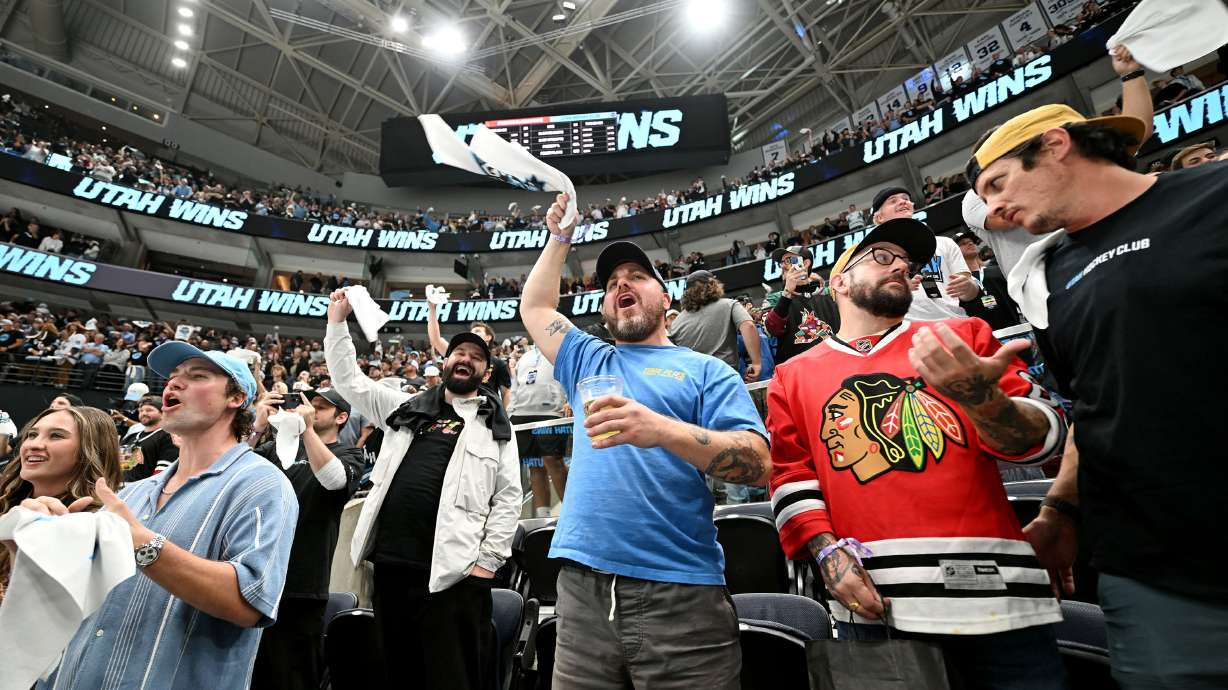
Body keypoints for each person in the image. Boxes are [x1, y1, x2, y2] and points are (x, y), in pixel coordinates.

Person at [969, 102, 1228, 689]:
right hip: (1151, 575)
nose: (992, 211)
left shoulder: (1215, 195)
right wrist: (1061, 508)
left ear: (1057, 144)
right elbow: (1094, 406)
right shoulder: (1047, 275)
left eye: (997, 184)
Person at [767, 217, 1069, 687]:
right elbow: (791, 477)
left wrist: (980, 398)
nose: (902, 268)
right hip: (871, 603)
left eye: (907, 263)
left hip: (999, 594)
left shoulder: (963, 336)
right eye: (882, 257)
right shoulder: (793, 374)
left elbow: (1042, 441)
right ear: (839, 280)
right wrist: (828, 556)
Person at [521, 194, 771, 688]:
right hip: (581, 594)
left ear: (666, 300)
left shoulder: (707, 371)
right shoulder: (587, 359)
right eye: (612, 284)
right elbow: (534, 305)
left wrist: (660, 430)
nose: (621, 286)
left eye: (636, 277)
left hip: (681, 595)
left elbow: (758, 463)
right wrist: (559, 239)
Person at [24, 342, 298, 690]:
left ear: (236, 398)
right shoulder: (133, 493)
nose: (173, 385)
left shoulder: (262, 484)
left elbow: (249, 602)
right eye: (171, 378)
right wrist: (44, 544)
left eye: (197, 376)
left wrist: (141, 543)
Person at [325, 293, 521, 689]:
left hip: (455, 575)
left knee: (453, 677)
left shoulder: (497, 428)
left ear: (486, 373)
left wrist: (487, 563)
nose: (465, 358)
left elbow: (508, 498)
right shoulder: (404, 407)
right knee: (401, 673)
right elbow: (349, 380)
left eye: (476, 357)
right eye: (458, 352)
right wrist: (336, 322)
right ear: (445, 362)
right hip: (393, 567)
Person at [249, 387, 364, 690]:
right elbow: (232, 466)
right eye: (307, 405)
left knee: (293, 676)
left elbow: (336, 480)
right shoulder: (277, 449)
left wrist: (308, 430)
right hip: (257, 578)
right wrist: (257, 426)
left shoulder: (349, 453)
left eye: (320, 407)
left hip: (303, 584)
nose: (308, 410)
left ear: (342, 417)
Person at [0, 405, 123, 603]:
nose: (34, 444)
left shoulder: (97, 524)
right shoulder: (5, 503)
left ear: (91, 449)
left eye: (56, 436)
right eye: (32, 435)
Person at [871, 187, 979, 320]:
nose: (902, 202)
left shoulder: (945, 243)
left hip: (955, 321)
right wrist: (898, 291)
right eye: (893, 201)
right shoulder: (874, 255)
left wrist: (967, 287)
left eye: (906, 199)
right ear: (879, 216)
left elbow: (970, 293)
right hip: (906, 329)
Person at [508, 340, 570, 518]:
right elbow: (515, 387)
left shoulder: (559, 350)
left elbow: (571, 376)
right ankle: (543, 517)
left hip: (551, 412)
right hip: (522, 413)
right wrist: (510, 412)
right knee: (535, 465)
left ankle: (570, 513)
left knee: (554, 461)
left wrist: (569, 400)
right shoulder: (525, 356)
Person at [668, 270, 762, 381]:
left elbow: (670, 355)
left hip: (696, 384)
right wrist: (756, 363)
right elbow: (748, 326)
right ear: (713, 285)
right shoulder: (729, 305)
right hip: (726, 377)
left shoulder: (676, 323)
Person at [427, 302, 513, 408]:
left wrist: (503, 417)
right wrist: (432, 309)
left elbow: (506, 392)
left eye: (477, 331)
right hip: (455, 408)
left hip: (485, 411)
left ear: (488, 337)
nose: (473, 333)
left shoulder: (499, 364)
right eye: (471, 331)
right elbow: (436, 339)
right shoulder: (457, 355)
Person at [765, 245, 841, 364]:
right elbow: (773, 328)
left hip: (835, 363)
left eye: (789, 260)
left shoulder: (829, 294)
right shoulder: (776, 298)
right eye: (781, 262)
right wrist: (786, 294)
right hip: (797, 371)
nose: (783, 265)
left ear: (805, 263)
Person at [952, 230, 1022, 332]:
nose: (970, 243)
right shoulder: (956, 281)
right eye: (963, 243)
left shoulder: (998, 270)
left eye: (971, 241)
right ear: (953, 251)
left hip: (1014, 329)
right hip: (982, 337)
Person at [121, 397, 179, 481]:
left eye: (149, 410)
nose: (144, 413)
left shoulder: (168, 436)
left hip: (144, 490)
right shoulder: (130, 437)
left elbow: (162, 473)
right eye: (141, 411)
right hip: (121, 489)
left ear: (163, 413)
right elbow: (122, 468)